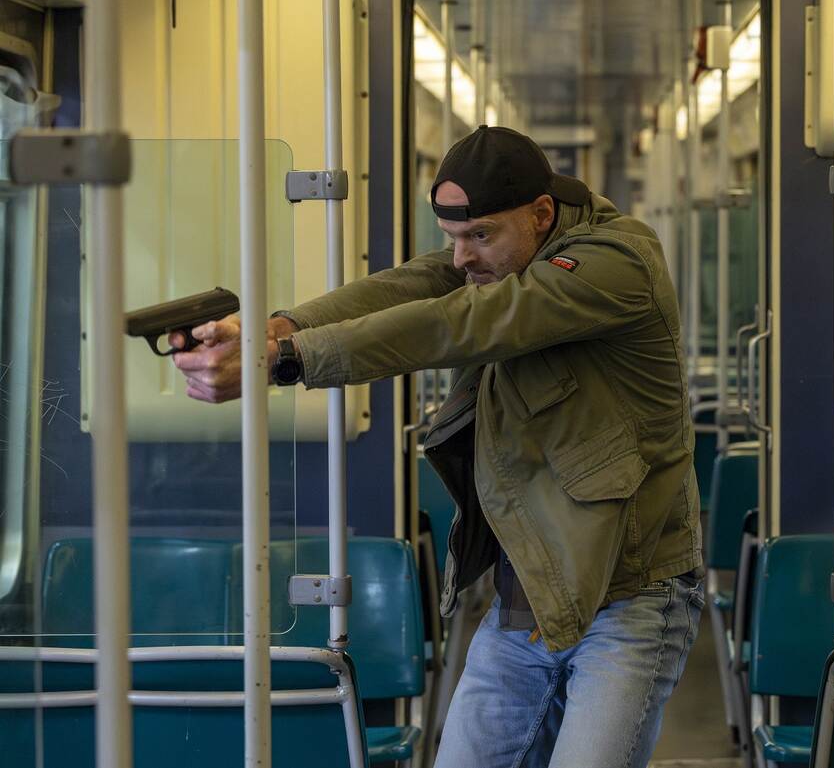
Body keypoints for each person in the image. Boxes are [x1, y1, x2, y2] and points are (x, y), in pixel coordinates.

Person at [172, 126, 705, 767]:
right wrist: (278, 327)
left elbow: (464, 321)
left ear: (542, 215)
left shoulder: (616, 263)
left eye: (480, 236)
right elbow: (414, 286)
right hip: (530, 589)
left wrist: (286, 361)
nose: (460, 258)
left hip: (632, 596)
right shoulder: (505, 251)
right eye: (455, 236)